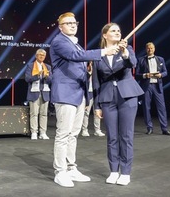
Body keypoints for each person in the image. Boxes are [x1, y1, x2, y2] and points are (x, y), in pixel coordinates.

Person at [49, 12, 119, 188]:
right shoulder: (59, 41)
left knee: (74, 134)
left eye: (74, 22)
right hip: (65, 93)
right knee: (63, 134)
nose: (73, 25)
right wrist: (104, 51)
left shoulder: (76, 43)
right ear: (60, 26)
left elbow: (79, 59)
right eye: (68, 23)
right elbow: (75, 56)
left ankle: (71, 168)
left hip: (79, 93)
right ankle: (60, 171)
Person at [92, 23, 143, 186]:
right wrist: (97, 105)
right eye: (113, 30)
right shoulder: (98, 55)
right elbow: (96, 82)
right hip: (107, 97)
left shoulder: (127, 50)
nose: (117, 33)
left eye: (119, 31)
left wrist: (125, 52)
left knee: (126, 135)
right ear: (105, 35)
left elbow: (132, 63)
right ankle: (114, 170)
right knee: (112, 137)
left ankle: (125, 172)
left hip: (127, 96)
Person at [136, 42, 170, 136]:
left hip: (157, 86)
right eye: (148, 48)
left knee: (161, 107)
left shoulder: (160, 59)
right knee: (146, 107)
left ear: (154, 49)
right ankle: (149, 128)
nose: (150, 50)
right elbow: (137, 74)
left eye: (151, 48)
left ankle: (164, 128)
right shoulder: (141, 60)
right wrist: (145, 75)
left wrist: (161, 75)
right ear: (146, 49)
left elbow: (165, 72)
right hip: (146, 86)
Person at [25, 49, 51, 140]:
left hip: (45, 92)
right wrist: (37, 76)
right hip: (34, 92)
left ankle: (43, 132)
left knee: (44, 114)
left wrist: (46, 76)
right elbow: (27, 79)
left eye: (43, 55)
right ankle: (34, 132)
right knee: (34, 114)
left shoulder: (47, 66)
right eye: (40, 55)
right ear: (36, 56)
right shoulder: (30, 65)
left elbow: (52, 80)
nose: (41, 56)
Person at [81, 64, 105, 137]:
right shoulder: (84, 68)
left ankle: (97, 130)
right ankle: (84, 130)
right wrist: (89, 73)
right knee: (86, 112)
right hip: (88, 92)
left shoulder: (97, 69)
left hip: (96, 92)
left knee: (97, 111)